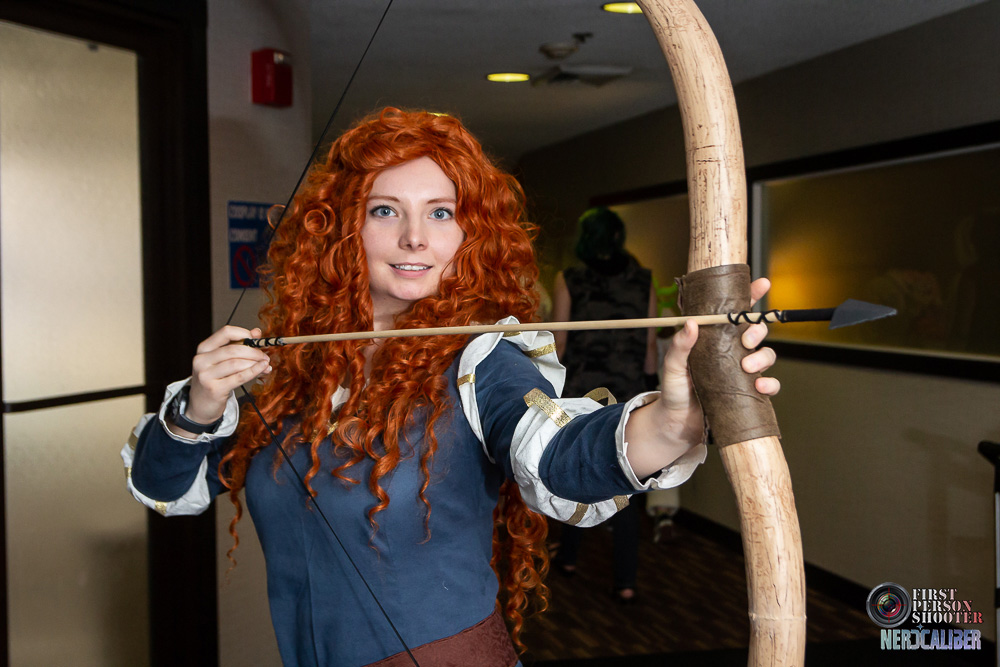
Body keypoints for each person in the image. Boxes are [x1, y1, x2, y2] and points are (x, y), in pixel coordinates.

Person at [120, 108, 778, 667]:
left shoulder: (482, 359)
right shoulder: (290, 366)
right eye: (385, 210)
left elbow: (559, 454)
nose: (415, 237)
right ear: (342, 226)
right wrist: (197, 409)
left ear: (470, 232)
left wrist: (671, 421)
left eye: (441, 212)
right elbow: (165, 485)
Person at [549, 207, 657, 603]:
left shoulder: (569, 278)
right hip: (628, 395)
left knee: (580, 470)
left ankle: (569, 558)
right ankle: (625, 580)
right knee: (627, 479)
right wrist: (651, 390)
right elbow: (649, 344)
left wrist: (546, 390)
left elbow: (559, 342)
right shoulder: (643, 280)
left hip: (583, 393)